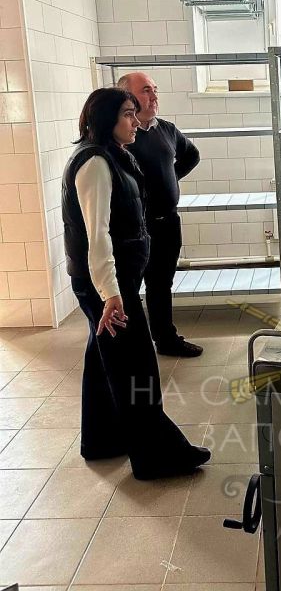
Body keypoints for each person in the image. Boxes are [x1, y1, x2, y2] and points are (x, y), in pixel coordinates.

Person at [62, 87, 210, 480]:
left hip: (109, 282)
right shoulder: (95, 163)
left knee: (104, 362)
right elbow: (97, 235)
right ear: (107, 119)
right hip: (109, 287)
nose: (135, 120)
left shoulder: (111, 154)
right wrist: (111, 294)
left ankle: (103, 440)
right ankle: (156, 456)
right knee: (136, 368)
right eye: (128, 113)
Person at [116, 72, 202, 358]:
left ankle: (166, 339)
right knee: (128, 288)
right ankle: (129, 347)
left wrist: (170, 178)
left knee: (162, 284)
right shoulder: (122, 135)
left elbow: (192, 155)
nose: (153, 96)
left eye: (155, 90)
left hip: (167, 222)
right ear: (127, 97)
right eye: (145, 90)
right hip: (134, 228)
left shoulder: (166, 129)